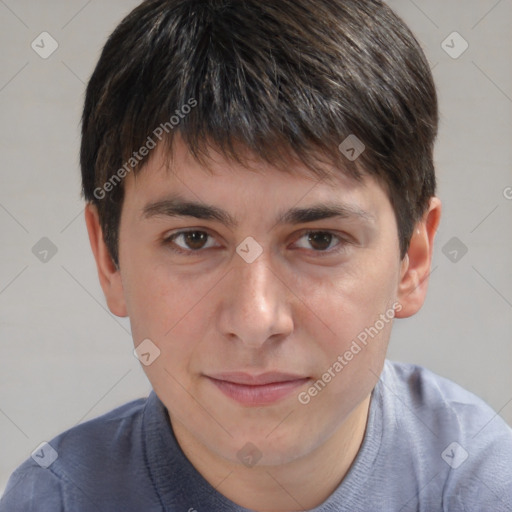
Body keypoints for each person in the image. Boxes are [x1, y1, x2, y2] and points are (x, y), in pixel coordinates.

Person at [1, 0, 511, 510]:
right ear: (109, 259)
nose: (255, 320)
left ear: (412, 261)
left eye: (319, 240)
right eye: (193, 239)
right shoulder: (56, 497)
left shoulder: (484, 485)